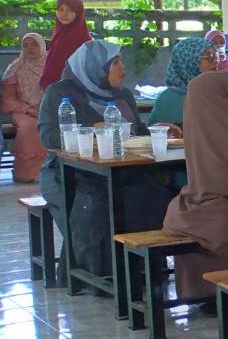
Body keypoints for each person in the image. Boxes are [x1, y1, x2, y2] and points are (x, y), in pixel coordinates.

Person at [38, 42, 173, 280]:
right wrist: (95, 134)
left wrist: (156, 131)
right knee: (96, 204)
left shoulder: (122, 96)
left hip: (118, 172)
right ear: (95, 67)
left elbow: (136, 133)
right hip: (67, 175)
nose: (123, 67)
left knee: (154, 195)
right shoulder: (61, 94)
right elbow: (49, 137)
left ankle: (140, 270)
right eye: (115, 62)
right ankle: (100, 276)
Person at [162, 72, 228, 302]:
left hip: (210, 200)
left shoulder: (196, 114)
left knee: (180, 212)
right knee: (216, 220)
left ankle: (199, 290)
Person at [2, 33, 47, 182]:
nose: (30, 48)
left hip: (47, 108)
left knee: (53, 123)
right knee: (29, 126)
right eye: (25, 45)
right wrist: (28, 109)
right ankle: (27, 173)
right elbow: (8, 98)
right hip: (22, 110)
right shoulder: (15, 68)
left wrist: (43, 107)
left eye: (34, 44)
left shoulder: (51, 65)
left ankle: (52, 172)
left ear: (42, 46)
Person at [146, 37, 216, 130]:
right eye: (209, 57)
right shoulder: (169, 100)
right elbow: (156, 134)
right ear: (189, 61)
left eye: (216, 56)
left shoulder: (216, 92)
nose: (215, 62)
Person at [38, 0, 92, 91]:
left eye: (70, 10)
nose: (64, 14)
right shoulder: (59, 33)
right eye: (61, 9)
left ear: (78, 12)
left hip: (73, 90)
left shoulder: (83, 39)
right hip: (54, 89)